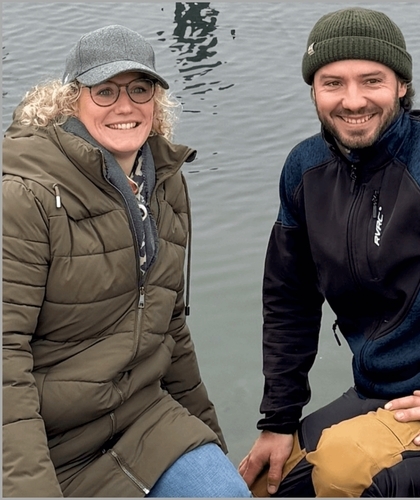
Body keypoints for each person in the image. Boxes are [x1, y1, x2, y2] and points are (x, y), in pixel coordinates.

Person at [238, 7, 420, 497]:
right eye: (332, 82)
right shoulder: (304, 170)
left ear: (401, 84)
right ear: (313, 90)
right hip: (379, 390)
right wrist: (278, 417)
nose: (352, 100)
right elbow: (289, 299)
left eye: (371, 80)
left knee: (343, 471)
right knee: (265, 482)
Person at [2, 25, 250, 497]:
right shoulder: (24, 197)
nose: (125, 106)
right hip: (48, 438)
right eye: (105, 91)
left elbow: (170, 327)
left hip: (143, 417)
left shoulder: (166, 182)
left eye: (140, 89)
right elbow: (5, 357)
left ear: (157, 103)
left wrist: (213, 445)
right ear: (70, 100)